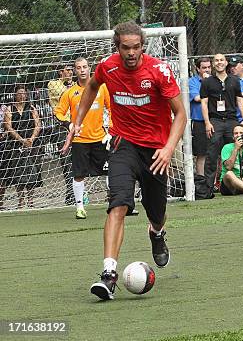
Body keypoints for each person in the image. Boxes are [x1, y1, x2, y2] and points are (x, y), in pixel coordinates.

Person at [67, 21, 187, 300]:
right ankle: (108, 275)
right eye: (125, 48)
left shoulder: (159, 71)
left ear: (142, 46)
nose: (131, 53)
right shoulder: (107, 67)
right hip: (124, 145)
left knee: (157, 212)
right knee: (118, 204)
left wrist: (169, 148)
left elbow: (180, 113)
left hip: (157, 150)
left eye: (136, 47)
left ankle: (157, 233)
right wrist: (78, 121)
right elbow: (92, 87)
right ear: (117, 47)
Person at [55, 57, 112, 219]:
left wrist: (112, 130)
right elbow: (58, 112)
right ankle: (80, 207)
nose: (82, 70)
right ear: (74, 70)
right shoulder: (70, 93)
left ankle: (113, 202)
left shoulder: (102, 88)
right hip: (80, 140)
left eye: (85, 67)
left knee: (110, 172)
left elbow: (112, 107)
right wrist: (69, 125)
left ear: (89, 69)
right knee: (79, 175)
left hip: (101, 138)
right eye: (78, 67)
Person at [200, 53, 243, 199]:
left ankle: (240, 183)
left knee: (236, 149)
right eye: (216, 60)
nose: (219, 62)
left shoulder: (234, 80)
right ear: (213, 64)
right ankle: (208, 189)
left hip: (232, 120)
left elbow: (240, 100)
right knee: (212, 154)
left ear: (226, 63)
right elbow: (204, 103)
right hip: (216, 121)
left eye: (221, 60)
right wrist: (207, 123)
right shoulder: (207, 82)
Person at [1, 85, 43, 209]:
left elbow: (38, 125)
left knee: (32, 172)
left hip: (31, 143)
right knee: (18, 173)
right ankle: (20, 201)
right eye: (19, 93)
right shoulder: (9, 109)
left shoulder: (31, 108)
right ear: (15, 95)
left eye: (24, 93)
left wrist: (31, 139)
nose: (22, 96)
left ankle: (31, 201)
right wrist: (21, 140)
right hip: (15, 144)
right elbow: (8, 127)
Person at [48, 63, 75, 205]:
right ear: (61, 72)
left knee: (78, 160)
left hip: (77, 127)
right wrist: (71, 86)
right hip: (62, 127)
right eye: (68, 70)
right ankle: (71, 194)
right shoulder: (53, 84)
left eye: (72, 70)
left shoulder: (75, 85)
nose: (70, 72)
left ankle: (77, 193)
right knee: (67, 162)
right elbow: (64, 94)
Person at [188, 57, 212, 176]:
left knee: (216, 152)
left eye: (209, 67)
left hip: (214, 119)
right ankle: (202, 181)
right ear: (198, 69)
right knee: (201, 153)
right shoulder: (192, 82)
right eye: (204, 68)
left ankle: (216, 182)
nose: (207, 70)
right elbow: (197, 98)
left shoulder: (215, 80)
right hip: (199, 121)